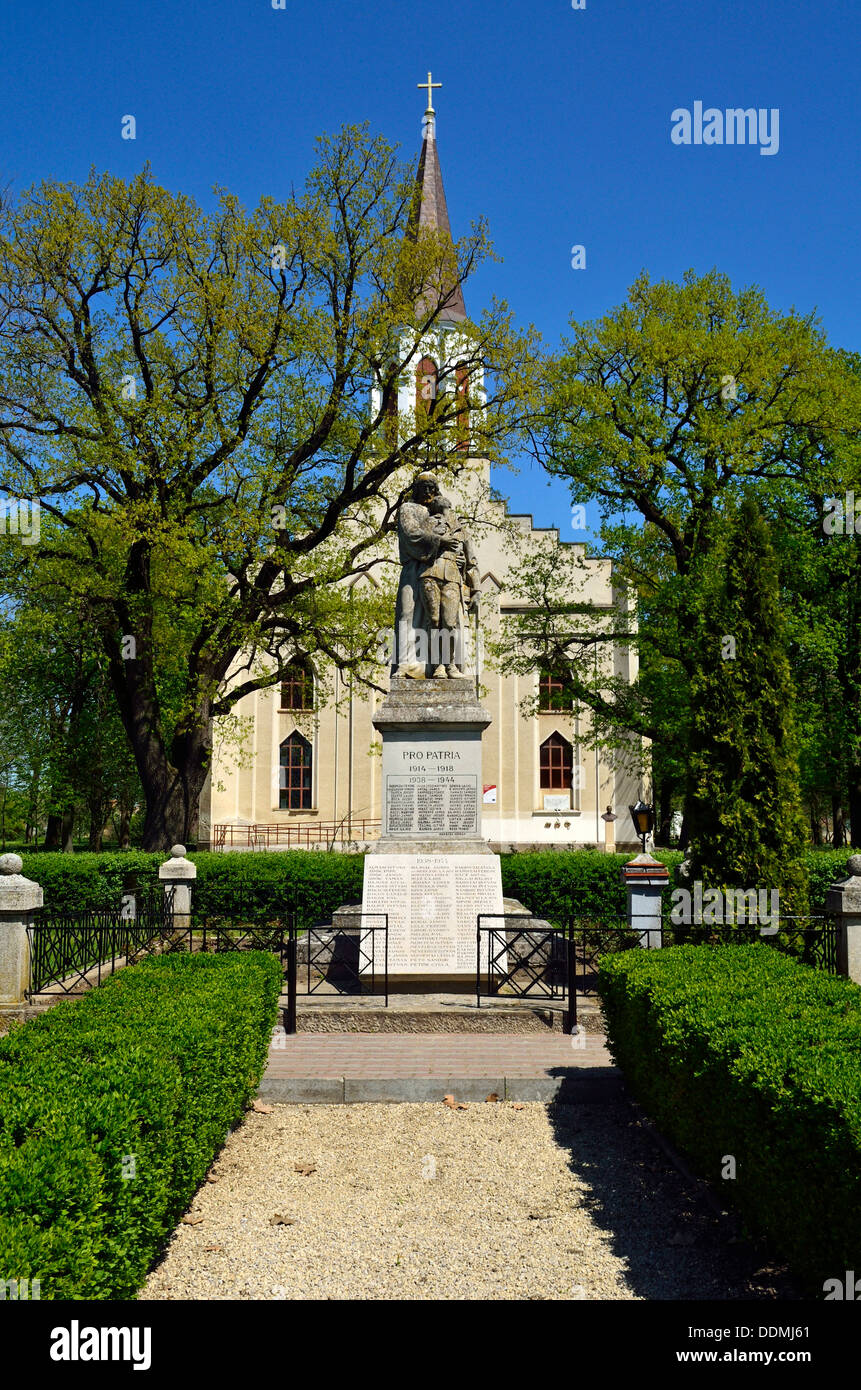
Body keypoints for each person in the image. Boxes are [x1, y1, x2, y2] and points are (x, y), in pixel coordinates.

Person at [394, 472, 480, 678]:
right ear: (416, 489)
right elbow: (411, 534)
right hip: (414, 570)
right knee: (408, 614)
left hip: (444, 573)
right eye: (424, 488)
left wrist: (459, 561)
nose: (429, 492)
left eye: (432, 488)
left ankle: (445, 665)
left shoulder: (447, 518)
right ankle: (407, 665)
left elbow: (464, 549)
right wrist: (440, 542)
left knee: (447, 621)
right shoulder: (408, 508)